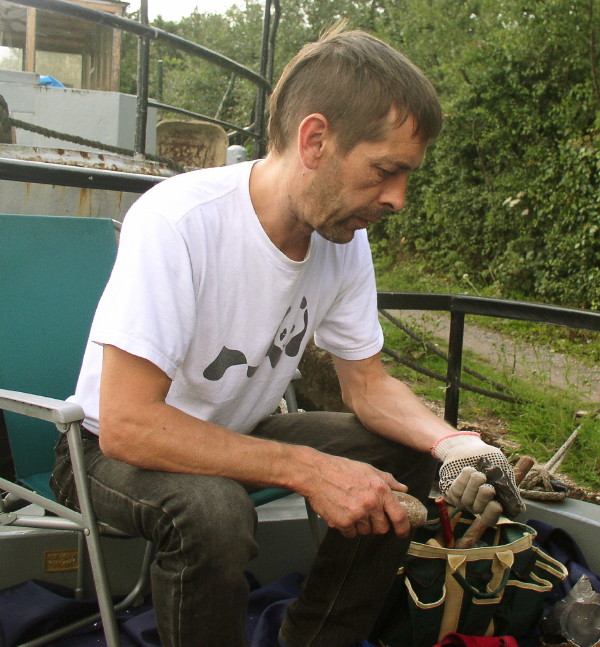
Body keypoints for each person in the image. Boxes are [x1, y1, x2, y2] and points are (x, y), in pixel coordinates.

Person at [51, 25, 523, 647]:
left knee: (403, 455)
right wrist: (308, 469)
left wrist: (454, 443)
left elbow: (369, 387)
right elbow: (127, 423)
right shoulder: (178, 220)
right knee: (214, 513)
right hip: (103, 454)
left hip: (235, 434)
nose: (399, 199)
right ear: (316, 139)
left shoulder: (343, 241)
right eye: (386, 171)